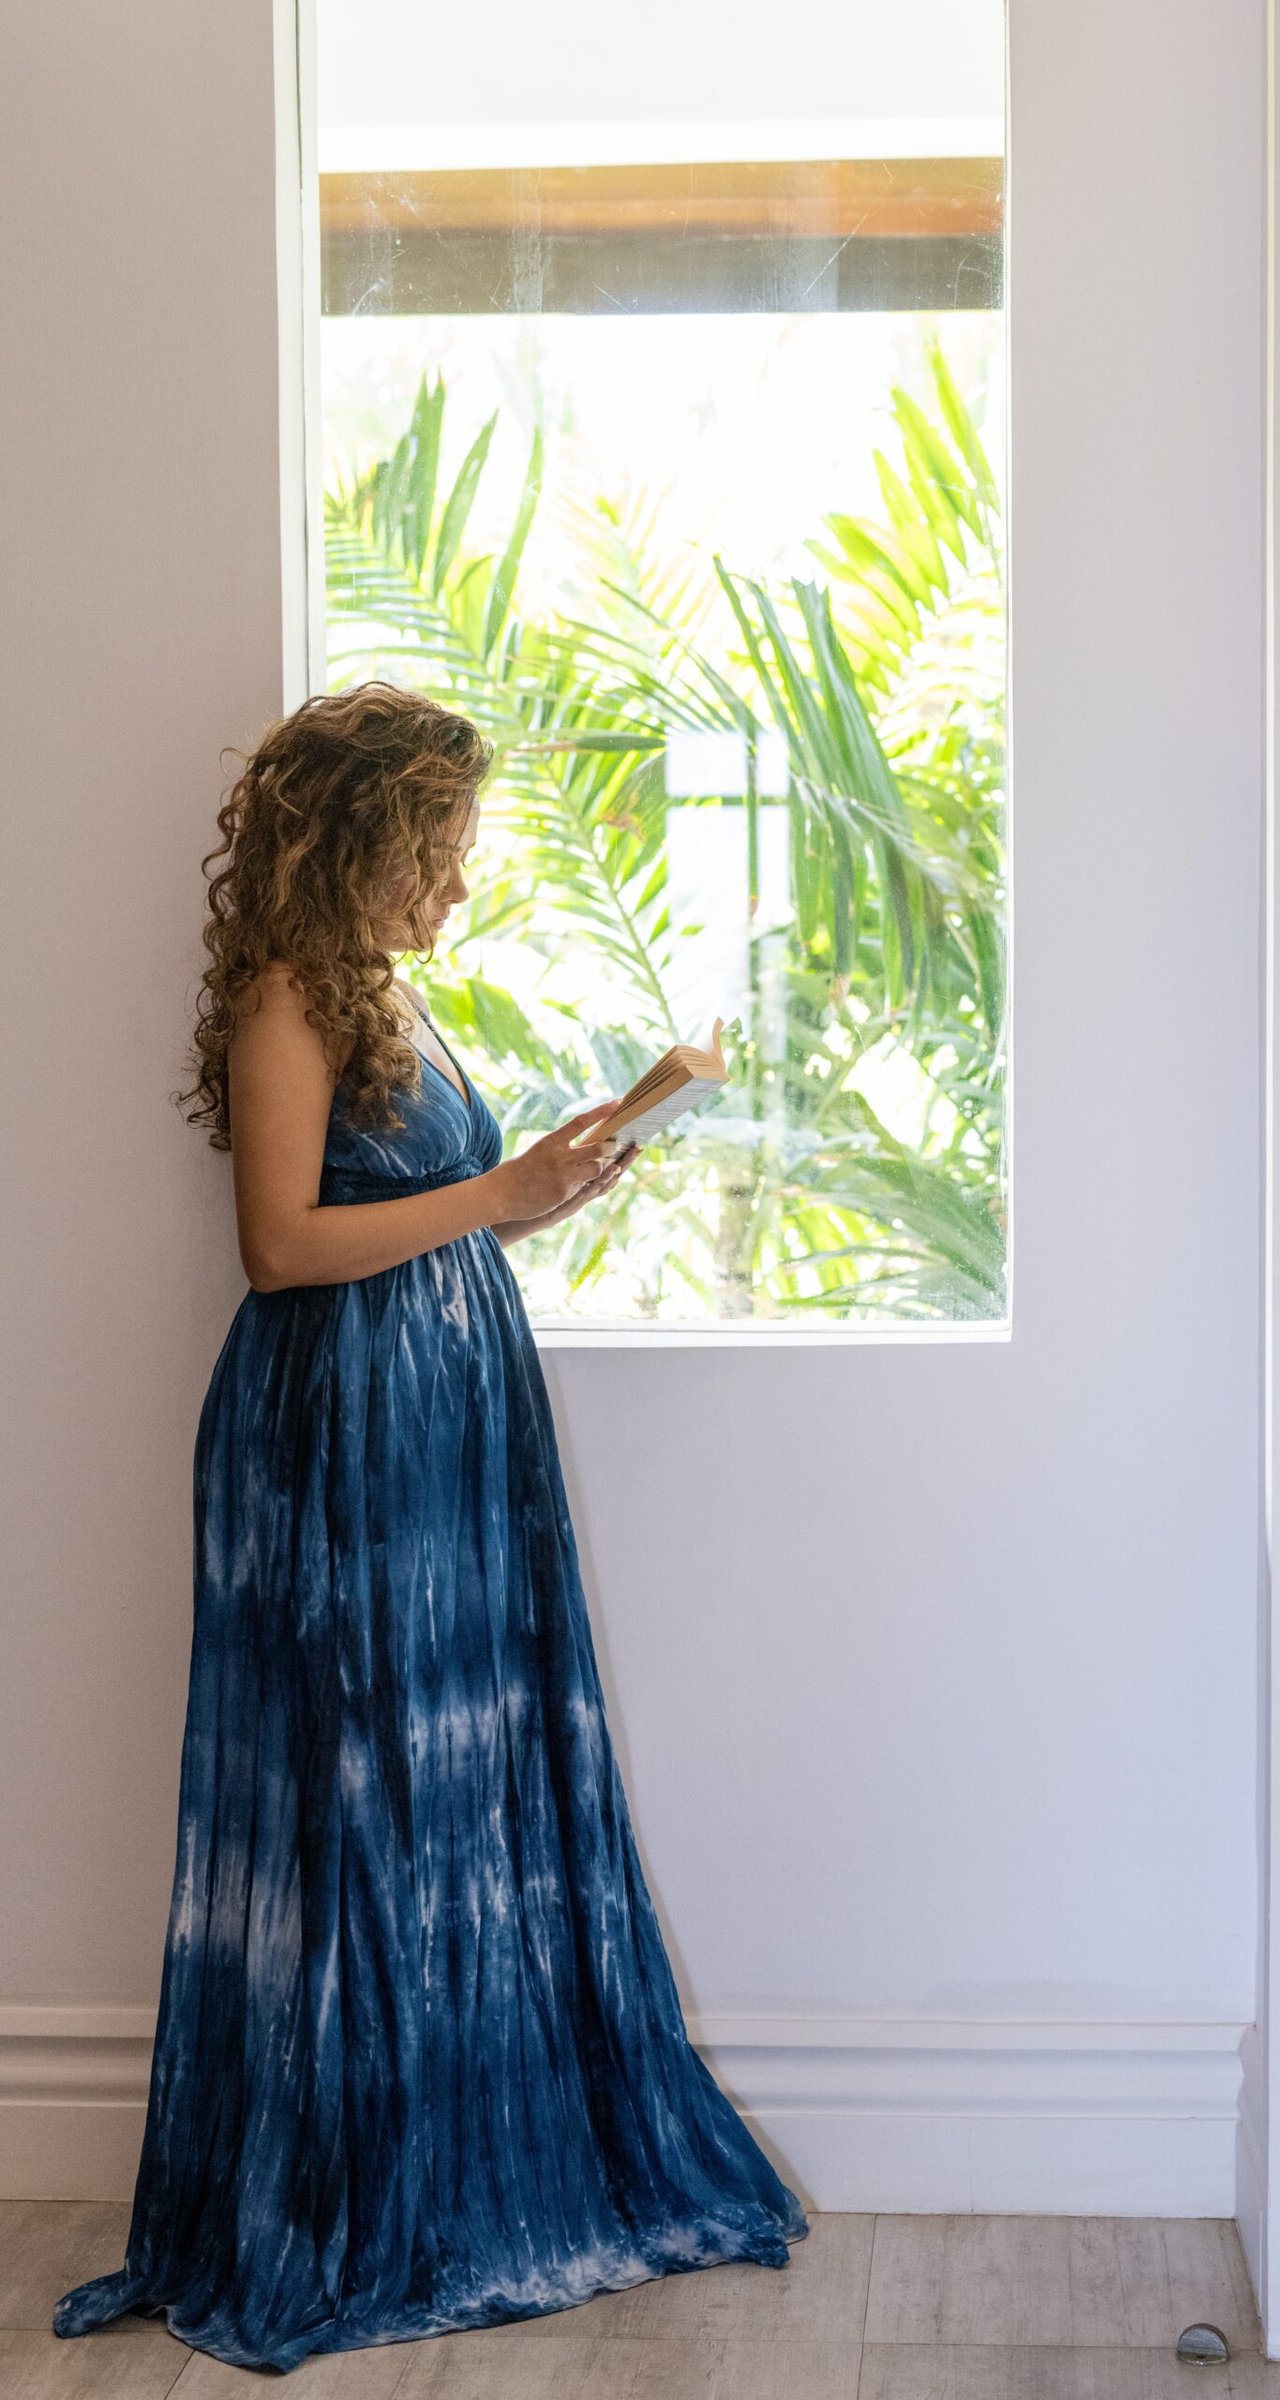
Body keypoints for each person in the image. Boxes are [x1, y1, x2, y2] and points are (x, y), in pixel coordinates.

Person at [55, 682, 805, 2372]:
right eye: (439, 848)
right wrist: (499, 1194)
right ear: (362, 842)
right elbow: (280, 1247)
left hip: (443, 1421)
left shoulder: (385, 994)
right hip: (338, 1432)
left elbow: (412, 1219)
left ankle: (457, 2148)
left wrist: (551, 1186)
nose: (459, 881)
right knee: (362, 1789)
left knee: (453, 1780)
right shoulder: (286, 999)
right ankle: (346, 2188)